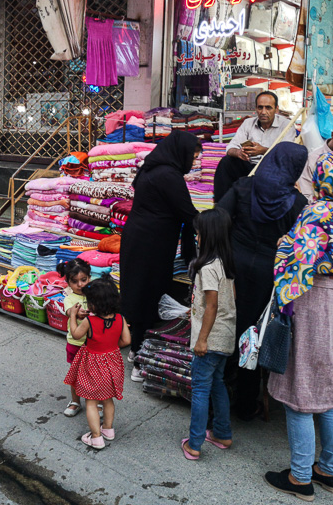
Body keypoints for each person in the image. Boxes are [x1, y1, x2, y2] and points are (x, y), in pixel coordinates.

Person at [265, 152, 333, 501]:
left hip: (313, 303)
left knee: (300, 392)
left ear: (322, 178)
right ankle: (329, 470)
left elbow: (298, 262)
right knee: (330, 392)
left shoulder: (318, 212)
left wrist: (283, 246)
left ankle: (300, 477)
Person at [216, 142, 309, 420]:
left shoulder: (244, 187)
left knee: (224, 324)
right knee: (253, 334)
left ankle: (215, 395)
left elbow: (218, 218)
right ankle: (246, 403)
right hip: (267, 276)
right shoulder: (298, 203)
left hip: (232, 267)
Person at [120, 131, 200, 380]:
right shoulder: (168, 176)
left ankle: (136, 349)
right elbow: (187, 212)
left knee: (139, 293)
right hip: (151, 243)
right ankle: (140, 359)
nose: (193, 162)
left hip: (140, 238)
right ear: (180, 153)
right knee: (148, 295)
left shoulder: (151, 168)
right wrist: (216, 225)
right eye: (193, 156)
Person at [181, 208, 236, 460]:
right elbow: (229, 300)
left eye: (199, 233)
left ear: (209, 235)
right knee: (217, 384)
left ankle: (194, 444)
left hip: (210, 339)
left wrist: (202, 339)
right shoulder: (226, 263)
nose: (197, 237)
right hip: (225, 336)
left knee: (201, 389)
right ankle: (222, 433)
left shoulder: (208, 266)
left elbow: (212, 305)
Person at [64, 276, 131, 450]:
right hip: (113, 364)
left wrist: (73, 316)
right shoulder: (120, 318)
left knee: (91, 402)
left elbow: (76, 334)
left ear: (95, 304)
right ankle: (108, 429)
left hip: (93, 365)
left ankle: (96, 437)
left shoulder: (89, 321)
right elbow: (126, 340)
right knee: (108, 400)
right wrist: (110, 347)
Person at [214, 91, 293, 202]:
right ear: (256, 108)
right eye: (260, 107)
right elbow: (231, 147)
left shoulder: (286, 125)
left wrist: (263, 151)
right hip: (249, 166)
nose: (263, 112)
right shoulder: (248, 123)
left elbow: (287, 154)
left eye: (268, 108)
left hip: (272, 170)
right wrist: (239, 153)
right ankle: (221, 206)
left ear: (276, 109)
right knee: (226, 162)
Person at [58, 259, 92, 418]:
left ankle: (97, 402)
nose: (80, 284)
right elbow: (69, 311)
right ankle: (75, 401)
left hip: (94, 344)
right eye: (75, 281)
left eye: (83, 280)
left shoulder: (95, 295)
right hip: (76, 343)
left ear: (90, 278)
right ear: (68, 283)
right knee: (75, 374)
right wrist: (75, 313)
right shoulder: (69, 299)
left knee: (94, 375)